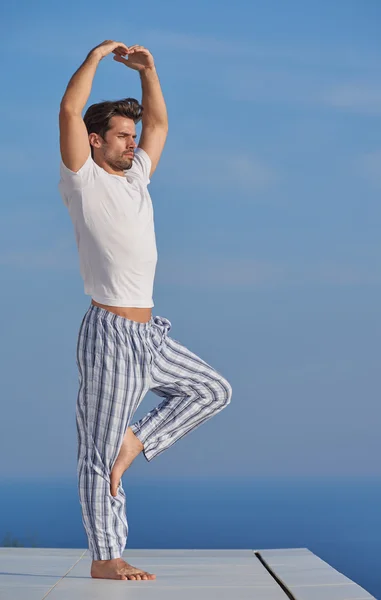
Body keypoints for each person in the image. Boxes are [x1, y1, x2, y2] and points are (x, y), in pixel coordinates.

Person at [58, 40, 232, 582]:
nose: (133, 145)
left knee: (212, 389)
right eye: (121, 136)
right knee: (97, 452)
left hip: (149, 335)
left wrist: (149, 73)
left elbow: (158, 123)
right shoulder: (83, 180)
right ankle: (105, 558)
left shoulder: (136, 178)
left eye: (133, 139)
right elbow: (68, 110)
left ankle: (139, 440)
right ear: (95, 141)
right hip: (109, 333)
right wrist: (93, 59)